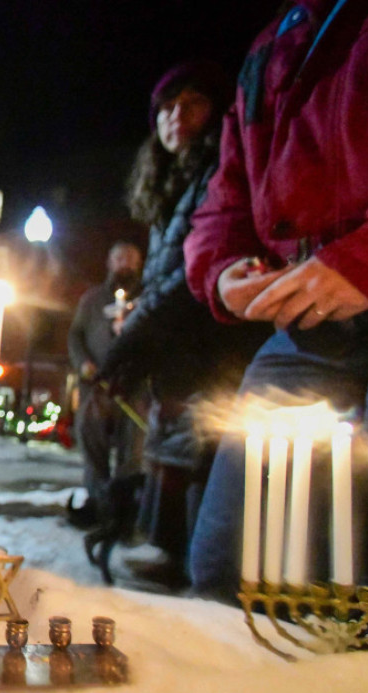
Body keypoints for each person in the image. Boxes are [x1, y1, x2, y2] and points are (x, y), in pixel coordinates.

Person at [185, 0, 368, 599]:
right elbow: (227, 196)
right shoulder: (275, 43)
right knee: (233, 565)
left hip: (359, 282)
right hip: (311, 325)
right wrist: (224, 271)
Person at [97, 62, 271, 588]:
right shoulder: (173, 186)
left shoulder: (218, 170)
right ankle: (173, 551)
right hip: (181, 344)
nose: (177, 117)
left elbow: (189, 274)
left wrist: (134, 335)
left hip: (215, 339)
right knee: (177, 439)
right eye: (167, 108)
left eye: (191, 103)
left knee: (202, 444)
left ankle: (192, 562)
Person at [67, 241, 145, 525]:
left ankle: (124, 510)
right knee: (92, 439)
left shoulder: (148, 298)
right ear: (109, 263)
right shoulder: (92, 300)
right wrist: (84, 363)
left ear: (139, 264)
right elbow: (75, 335)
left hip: (133, 387)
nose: (124, 263)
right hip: (96, 386)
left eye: (130, 258)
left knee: (133, 448)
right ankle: (98, 503)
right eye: (119, 257)